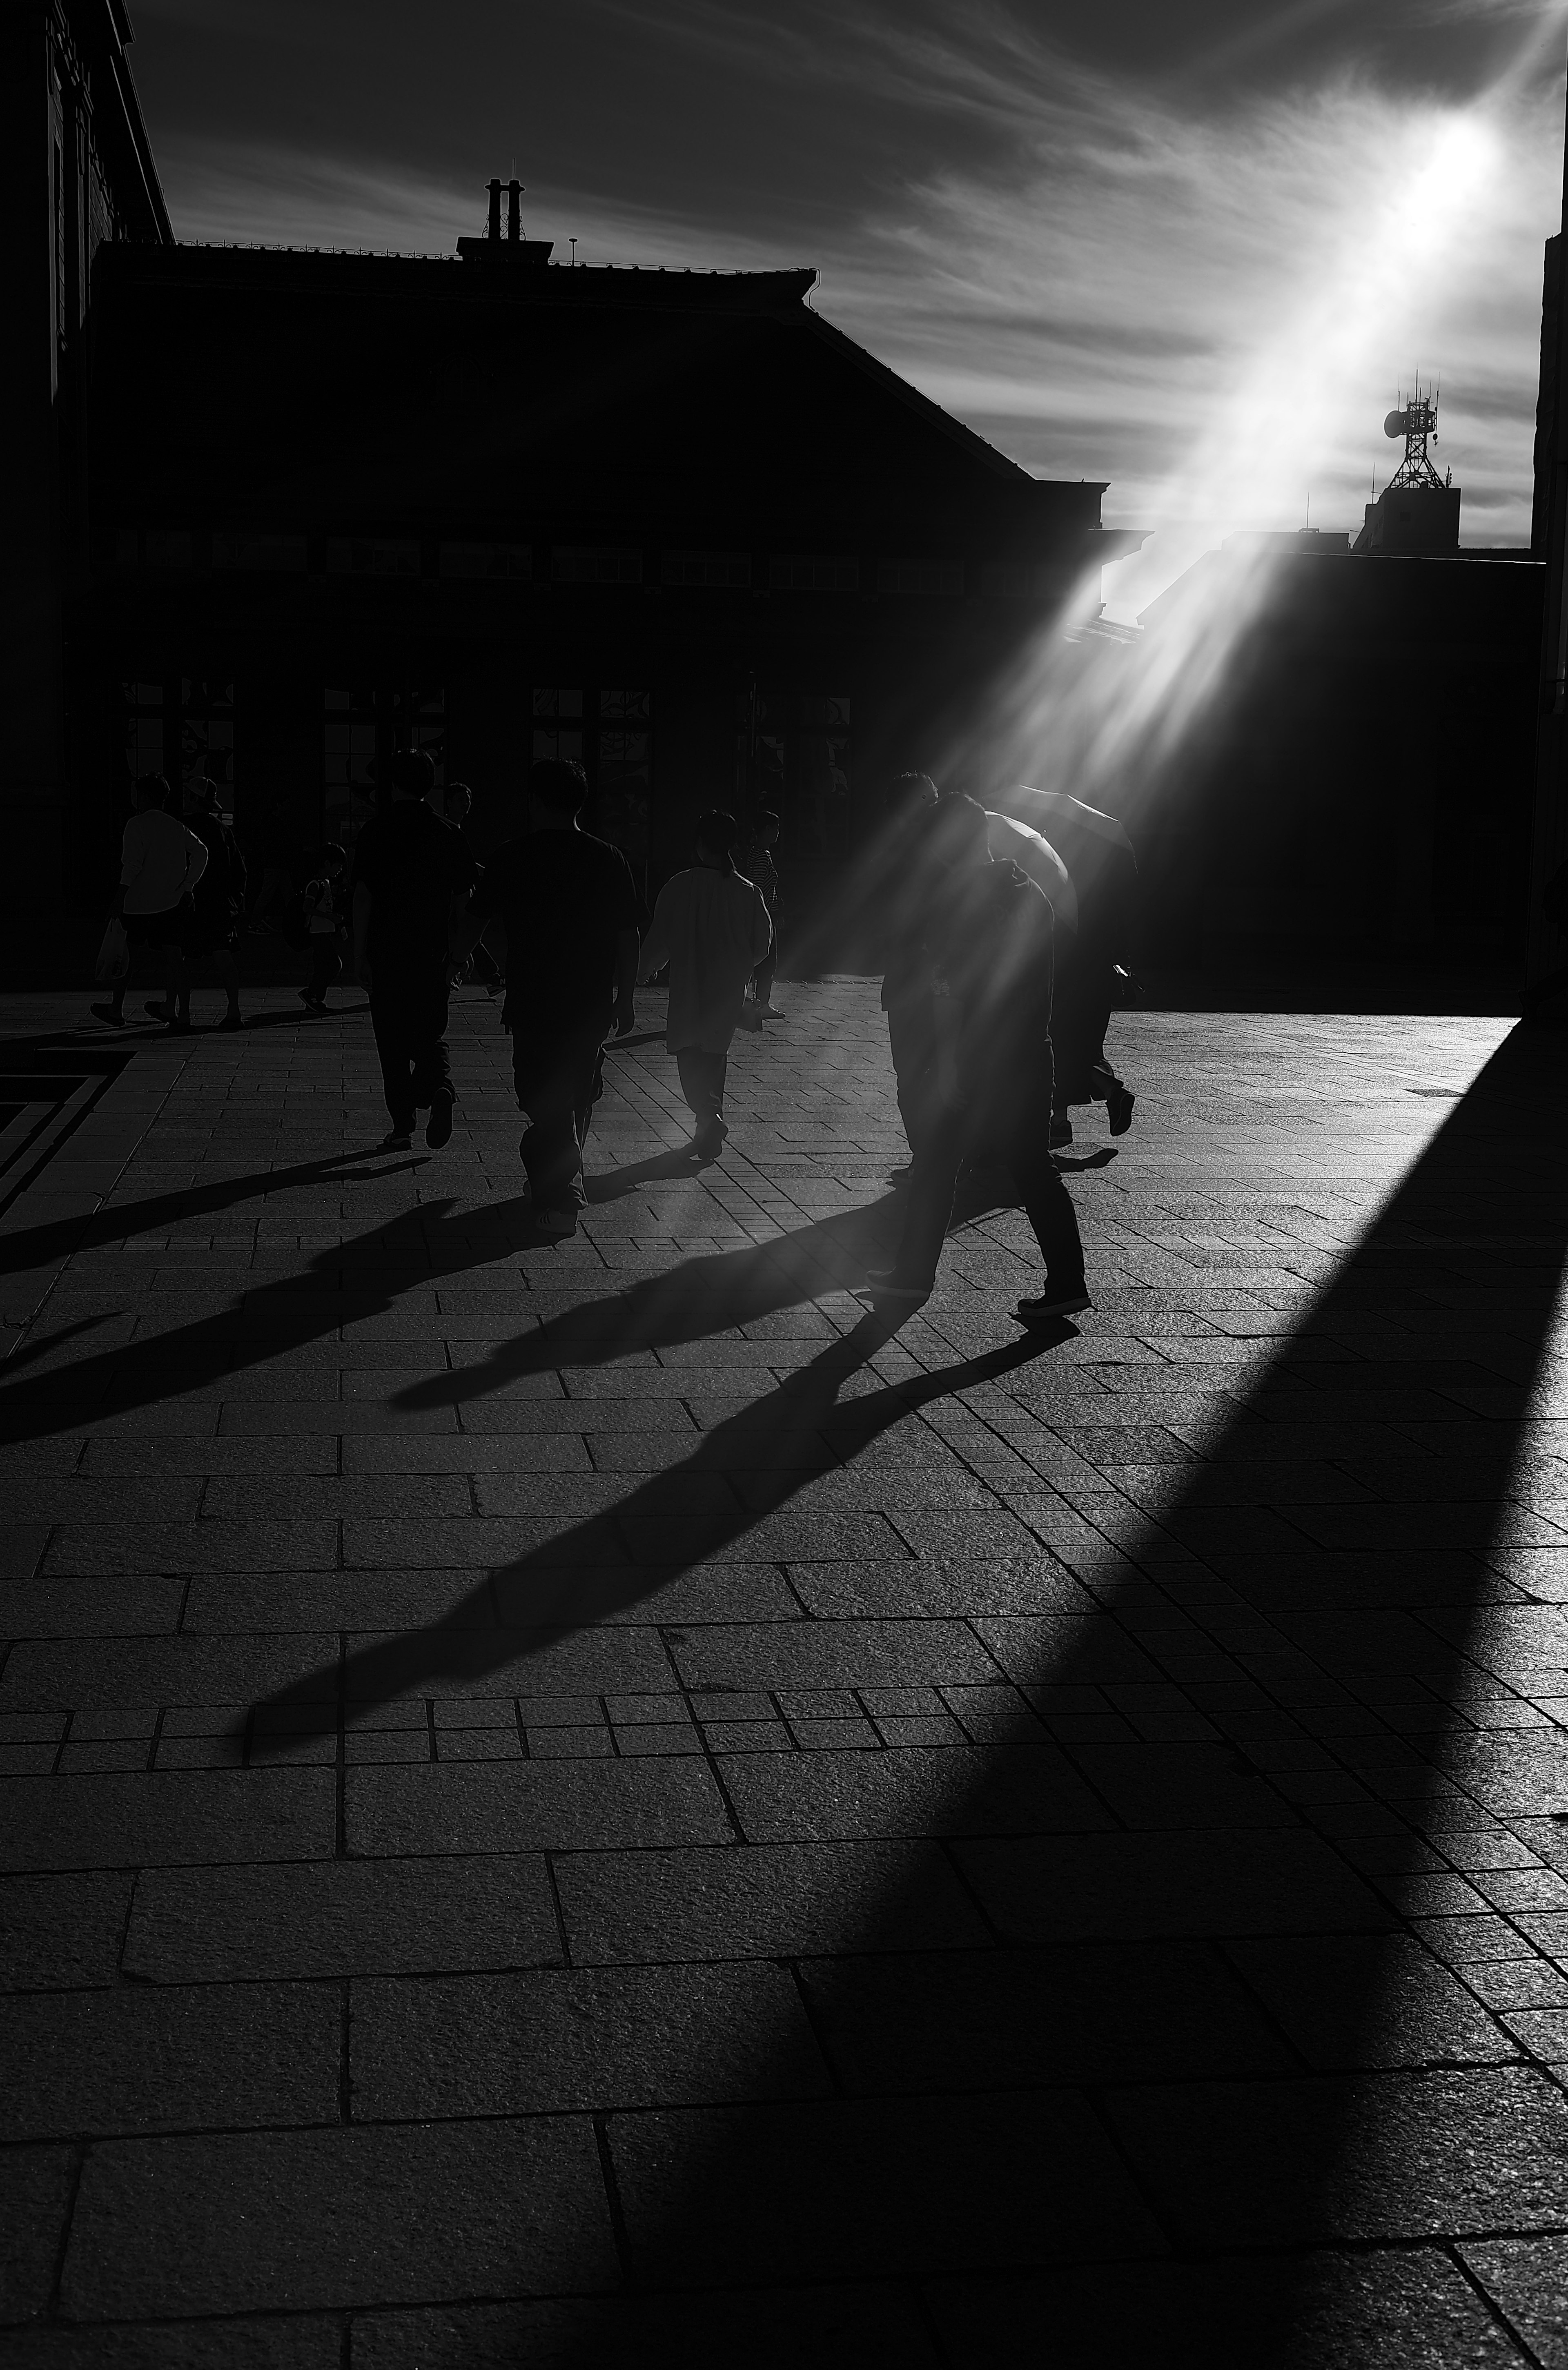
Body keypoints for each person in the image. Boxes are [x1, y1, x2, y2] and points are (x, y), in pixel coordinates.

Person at [864, 793, 1090, 1326]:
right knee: (1034, 1170)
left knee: (938, 1166)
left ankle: (911, 1276)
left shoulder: (958, 898)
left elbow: (949, 991)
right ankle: (1068, 1284)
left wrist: (947, 1067)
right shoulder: (1029, 890)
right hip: (1030, 1055)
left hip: (975, 1057)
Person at [464, 757, 640, 1235]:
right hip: (589, 1001)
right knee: (575, 1091)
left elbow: (477, 918)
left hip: (534, 999)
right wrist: (625, 997)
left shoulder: (513, 855)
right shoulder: (608, 858)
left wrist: (455, 962)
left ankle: (564, 1197)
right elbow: (629, 935)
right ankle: (558, 1180)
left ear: (538, 801)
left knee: (543, 1097)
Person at [351, 748, 475, 1152]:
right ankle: (439, 1086)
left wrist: (360, 953)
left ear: (394, 784)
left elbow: (364, 898)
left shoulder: (376, 831)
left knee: (391, 1040)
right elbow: (464, 900)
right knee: (429, 1031)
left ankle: (402, 1124)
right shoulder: (448, 832)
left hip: (387, 950)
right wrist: (460, 951)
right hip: (433, 951)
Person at [995, 787, 1136, 1143]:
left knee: (1054, 1039)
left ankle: (1065, 1121)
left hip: (1065, 960)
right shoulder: (1117, 860)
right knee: (1082, 1044)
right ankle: (1083, 1110)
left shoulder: (1059, 870)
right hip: (1100, 966)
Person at [638, 808, 773, 1161]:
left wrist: (643, 970)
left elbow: (659, 938)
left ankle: (708, 1117)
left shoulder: (679, 886)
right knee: (715, 1055)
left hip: (688, 986)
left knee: (688, 1053)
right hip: (727, 988)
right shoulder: (747, 891)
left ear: (700, 844)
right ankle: (709, 1123)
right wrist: (739, 964)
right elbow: (762, 946)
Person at [90, 773, 208, 1033]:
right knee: (176, 958)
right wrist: (189, 885)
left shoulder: (136, 824)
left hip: (138, 903)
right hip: (171, 902)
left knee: (127, 955)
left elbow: (132, 865)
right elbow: (201, 852)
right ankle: (182, 1012)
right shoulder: (177, 826)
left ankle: (116, 1008)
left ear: (143, 796)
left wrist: (119, 898)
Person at [876, 771, 942, 1178]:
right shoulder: (956, 850)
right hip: (949, 978)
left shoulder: (895, 856)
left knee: (913, 1073)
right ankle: (941, 1150)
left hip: (911, 980)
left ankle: (928, 1150)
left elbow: (886, 921)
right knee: (944, 1067)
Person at [178, 773, 247, 1031]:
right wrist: (235, 902)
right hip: (218, 903)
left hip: (190, 900)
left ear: (195, 800)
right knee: (224, 958)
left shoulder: (182, 827)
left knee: (181, 958)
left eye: (188, 796)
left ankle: (182, 1013)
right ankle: (234, 1009)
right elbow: (239, 871)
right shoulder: (222, 830)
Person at [443, 780, 502, 994]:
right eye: (461, 799)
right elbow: (464, 864)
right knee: (466, 933)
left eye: (467, 799)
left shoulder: (455, 828)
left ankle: (489, 976)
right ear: (449, 802)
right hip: (452, 893)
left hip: (458, 892)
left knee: (465, 933)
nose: (466, 804)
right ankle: (491, 976)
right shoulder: (448, 829)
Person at [298, 844, 347, 1014]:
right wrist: (330, 918)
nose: (340, 870)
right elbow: (307, 907)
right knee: (335, 965)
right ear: (327, 863)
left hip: (324, 932)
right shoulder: (315, 884)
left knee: (322, 967)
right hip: (317, 933)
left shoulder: (326, 883)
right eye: (338, 866)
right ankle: (311, 994)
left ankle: (314, 1002)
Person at [745, 810, 783, 1018]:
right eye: (776, 829)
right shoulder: (762, 856)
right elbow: (758, 888)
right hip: (763, 916)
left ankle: (755, 1002)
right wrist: (770, 913)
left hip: (761, 914)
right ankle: (762, 1004)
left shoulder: (753, 853)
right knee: (768, 962)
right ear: (767, 830)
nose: (778, 833)